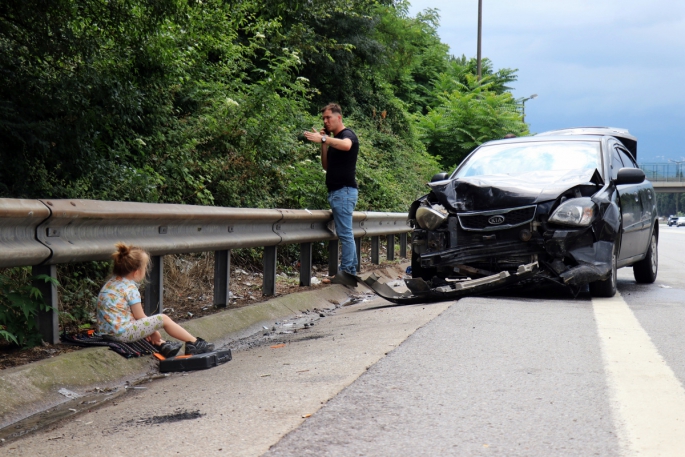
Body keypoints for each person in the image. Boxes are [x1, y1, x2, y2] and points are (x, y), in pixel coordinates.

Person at [97, 243, 214, 357]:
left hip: (106, 333)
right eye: (145, 267)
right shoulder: (130, 288)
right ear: (136, 272)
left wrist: (148, 330)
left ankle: (163, 345)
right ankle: (194, 343)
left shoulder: (109, 284)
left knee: (142, 327)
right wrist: (153, 331)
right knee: (163, 319)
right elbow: (140, 316)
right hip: (121, 333)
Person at [304, 103, 359, 278]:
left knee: (345, 234)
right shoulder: (333, 140)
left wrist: (323, 139)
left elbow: (347, 145)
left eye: (329, 118)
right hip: (337, 192)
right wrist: (324, 144)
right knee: (345, 233)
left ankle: (347, 272)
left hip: (344, 191)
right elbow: (327, 166)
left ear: (339, 117)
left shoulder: (347, 135)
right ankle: (350, 271)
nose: (326, 121)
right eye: (324, 119)